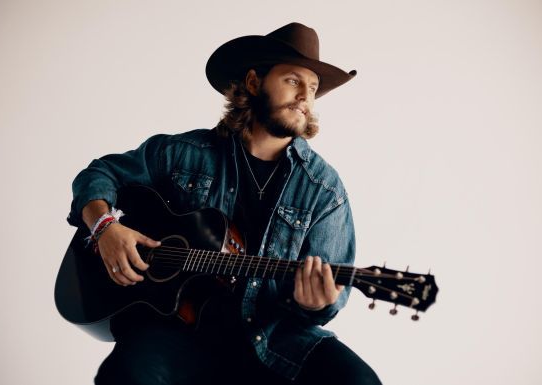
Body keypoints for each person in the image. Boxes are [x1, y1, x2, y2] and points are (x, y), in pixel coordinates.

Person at [67, 22, 382, 385]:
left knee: (358, 381)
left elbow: (327, 303)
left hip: (271, 337)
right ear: (253, 82)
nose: (305, 97)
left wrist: (316, 303)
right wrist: (105, 228)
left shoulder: (324, 190)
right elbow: (99, 175)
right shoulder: (184, 153)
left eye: (312, 89)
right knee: (126, 374)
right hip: (176, 328)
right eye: (293, 81)